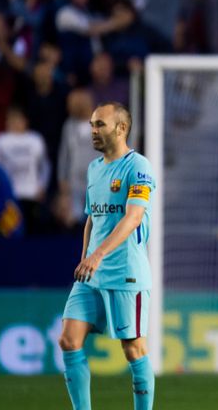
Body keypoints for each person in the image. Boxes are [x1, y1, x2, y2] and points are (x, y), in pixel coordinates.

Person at [58, 102, 156, 410]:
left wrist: (98, 255)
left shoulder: (138, 166)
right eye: (91, 124)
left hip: (126, 273)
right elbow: (92, 218)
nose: (93, 130)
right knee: (69, 340)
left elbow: (133, 217)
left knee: (134, 349)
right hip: (91, 273)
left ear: (121, 128)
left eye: (100, 124)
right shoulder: (94, 168)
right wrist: (85, 256)